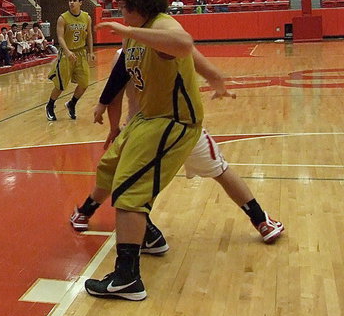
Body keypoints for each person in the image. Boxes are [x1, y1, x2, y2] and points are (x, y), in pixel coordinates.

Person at [71, 47, 284, 246]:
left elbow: (113, 97)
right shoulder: (173, 43)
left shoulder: (125, 52)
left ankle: (87, 213)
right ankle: (260, 220)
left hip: (142, 129)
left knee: (122, 178)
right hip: (181, 127)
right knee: (220, 170)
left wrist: (114, 127)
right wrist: (216, 81)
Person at [79, 0, 206, 301]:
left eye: (123, 6)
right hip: (148, 119)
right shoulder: (133, 38)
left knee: (128, 191)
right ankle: (147, 236)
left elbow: (184, 45)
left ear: (139, 7)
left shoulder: (162, 25)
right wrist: (112, 117)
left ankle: (127, 278)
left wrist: (128, 31)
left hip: (173, 121)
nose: (120, 12)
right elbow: (122, 77)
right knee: (110, 165)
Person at [45, 0, 95, 121]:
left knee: (84, 83)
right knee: (61, 85)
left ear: (80, 3)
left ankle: (72, 103)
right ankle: (50, 105)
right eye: (70, 0)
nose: (71, 3)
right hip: (66, 54)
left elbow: (89, 35)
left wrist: (91, 51)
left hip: (80, 53)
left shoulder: (87, 17)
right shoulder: (63, 18)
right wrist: (67, 51)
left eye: (74, 0)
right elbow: (60, 37)